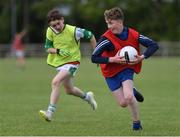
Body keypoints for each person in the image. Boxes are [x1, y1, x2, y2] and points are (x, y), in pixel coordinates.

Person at [91, 7, 159, 130]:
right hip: (110, 73)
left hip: (126, 69)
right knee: (123, 103)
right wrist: (113, 59)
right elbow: (94, 57)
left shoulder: (133, 34)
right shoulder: (106, 39)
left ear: (120, 21)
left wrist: (142, 57)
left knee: (128, 97)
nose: (109, 27)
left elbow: (153, 45)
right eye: (107, 23)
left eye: (111, 23)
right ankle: (132, 89)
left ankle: (136, 125)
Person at [39, 9, 97, 122]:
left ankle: (50, 113)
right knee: (69, 90)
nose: (57, 26)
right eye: (54, 25)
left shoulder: (73, 30)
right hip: (60, 64)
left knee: (55, 82)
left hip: (72, 62)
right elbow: (48, 48)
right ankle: (87, 97)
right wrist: (58, 51)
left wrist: (95, 54)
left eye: (58, 23)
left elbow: (90, 35)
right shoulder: (50, 31)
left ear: (62, 20)